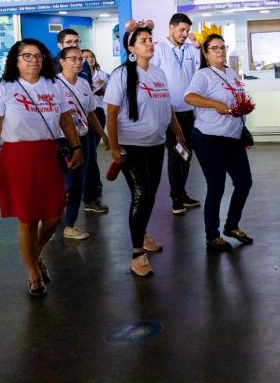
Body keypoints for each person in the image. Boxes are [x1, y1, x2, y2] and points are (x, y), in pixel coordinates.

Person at [0, 38, 83, 296]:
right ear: (16, 60)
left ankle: (33, 253)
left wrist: (77, 147)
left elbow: (66, 119)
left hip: (48, 154)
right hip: (19, 158)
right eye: (27, 56)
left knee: (55, 215)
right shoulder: (5, 89)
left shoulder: (54, 85)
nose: (33, 60)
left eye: (38, 56)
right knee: (28, 220)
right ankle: (33, 270)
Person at [104, 25, 187, 277]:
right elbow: (111, 111)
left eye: (150, 39)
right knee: (141, 192)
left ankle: (142, 233)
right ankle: (137, 253)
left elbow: (167, 107)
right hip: (131, 146)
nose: (150, 44)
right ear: (131, 48)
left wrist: (179, 133)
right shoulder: (122, 75)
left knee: (149, 194)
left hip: (155, 144)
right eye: (143, 40)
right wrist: (115, 146)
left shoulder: (158, 72)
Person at [185, 34, 254, 252]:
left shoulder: (232, 72)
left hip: (233, 138)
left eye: (222, 47)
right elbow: (189, 97)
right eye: (214, 48)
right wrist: (214, 103)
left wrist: (243, 124)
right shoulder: (203, 75)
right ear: (205, 53)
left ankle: (231, 225)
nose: (219, 51)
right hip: (209, 139)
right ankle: (212, 235)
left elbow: (238, 99)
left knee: (244, 182)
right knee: (216, 186)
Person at [56, 47, 110, 240]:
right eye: (73, 59)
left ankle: (70, 224)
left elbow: (90, 113)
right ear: (62, 62)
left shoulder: (85, 84)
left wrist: (103, 134)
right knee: (66, 183)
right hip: (62, 139)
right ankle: (52, 218)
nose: (79, 62)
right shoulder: (54, 84)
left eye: (81, 59)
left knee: (78, 182)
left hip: (83, 137)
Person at [152, 13, 202, 215]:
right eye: (181, 30)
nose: (185, 34)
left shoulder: (191, 49)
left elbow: (201, 71)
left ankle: (182, 192)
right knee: (175, 154)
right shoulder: (159, 50)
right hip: (169, 112)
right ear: (171, 28)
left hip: (188, 111)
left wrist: (199, 47)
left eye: (187, 30)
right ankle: (175, 198)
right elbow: (151, 78)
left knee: (187, 154)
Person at [82, 49, 109, 213]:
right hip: (84, 115)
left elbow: (107, 91)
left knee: (92, 154)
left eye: (91, 56)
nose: (87, 60)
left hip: (97, 111)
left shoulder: (102, 74)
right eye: (84, 57)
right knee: (88, 155)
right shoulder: (80, 77)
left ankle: (94, 188)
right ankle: (89, 192)